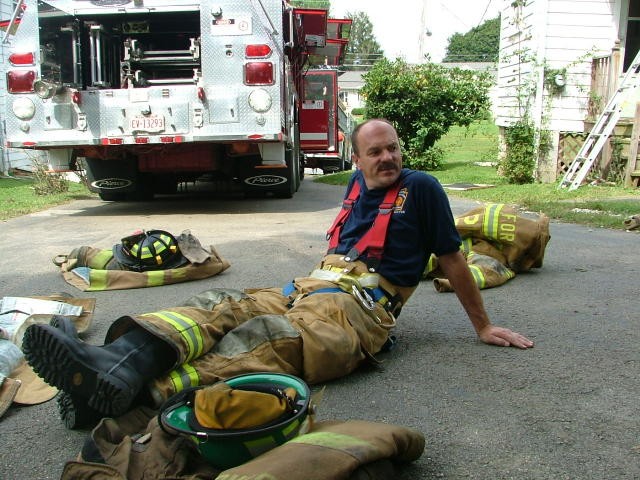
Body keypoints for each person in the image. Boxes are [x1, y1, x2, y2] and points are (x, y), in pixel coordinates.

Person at [23, 118, 533, 427]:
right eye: (375, 151)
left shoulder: (421, 189)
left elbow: (451, 259)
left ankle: (130, 398)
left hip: (356, 312)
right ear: (355, 160)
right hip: (308, 289)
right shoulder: (355, 189)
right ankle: (117, 359)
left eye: (393, 148)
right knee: (220, 306)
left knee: (265, 341)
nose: (388, 158)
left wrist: (482, 325)